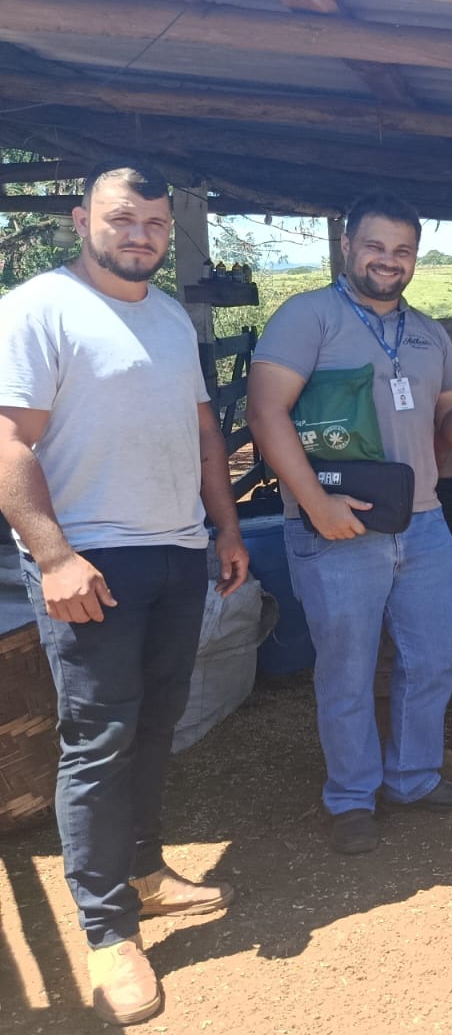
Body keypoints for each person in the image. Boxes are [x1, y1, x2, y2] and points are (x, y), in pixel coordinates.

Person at [0, 160, 247, 1026]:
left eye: (152, 224)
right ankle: (107, 933)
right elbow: (5, 438)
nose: (137, 235)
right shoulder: (38, 309)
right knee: (99, 740)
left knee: (153, 724)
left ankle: (143, 871)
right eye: (120, 220)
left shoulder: (173, 318)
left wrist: (224, 529)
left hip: (177, 550)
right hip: (92, 562)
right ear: (81, 220)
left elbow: (203, 429)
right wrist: (55, 555)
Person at [247, 191, 452, 855]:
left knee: (430, 660)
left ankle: (414, 778)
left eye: (403, 250)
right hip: (337, 526)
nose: (389, 261)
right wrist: (314, 506)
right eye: (376, 246)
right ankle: (351, 796)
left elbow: (445, 417)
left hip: (422, 524)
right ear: (349, 247)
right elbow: (265, 413)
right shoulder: (308, 318)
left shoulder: (428, 332)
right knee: (346, 668)